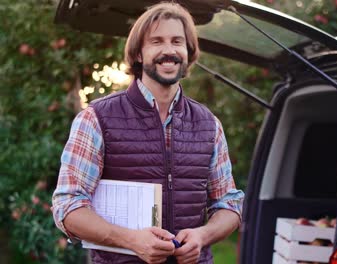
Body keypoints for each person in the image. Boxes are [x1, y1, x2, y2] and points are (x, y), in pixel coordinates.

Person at [52, 3, 244, 264]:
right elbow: (68, 206)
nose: (169, 50)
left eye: (177, 41)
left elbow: (229, 205)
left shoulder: (209, 125)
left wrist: (203, 235)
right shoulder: (96, 118)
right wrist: (131, 240)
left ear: (188, 52)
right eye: (156, 41)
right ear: (139, 54)